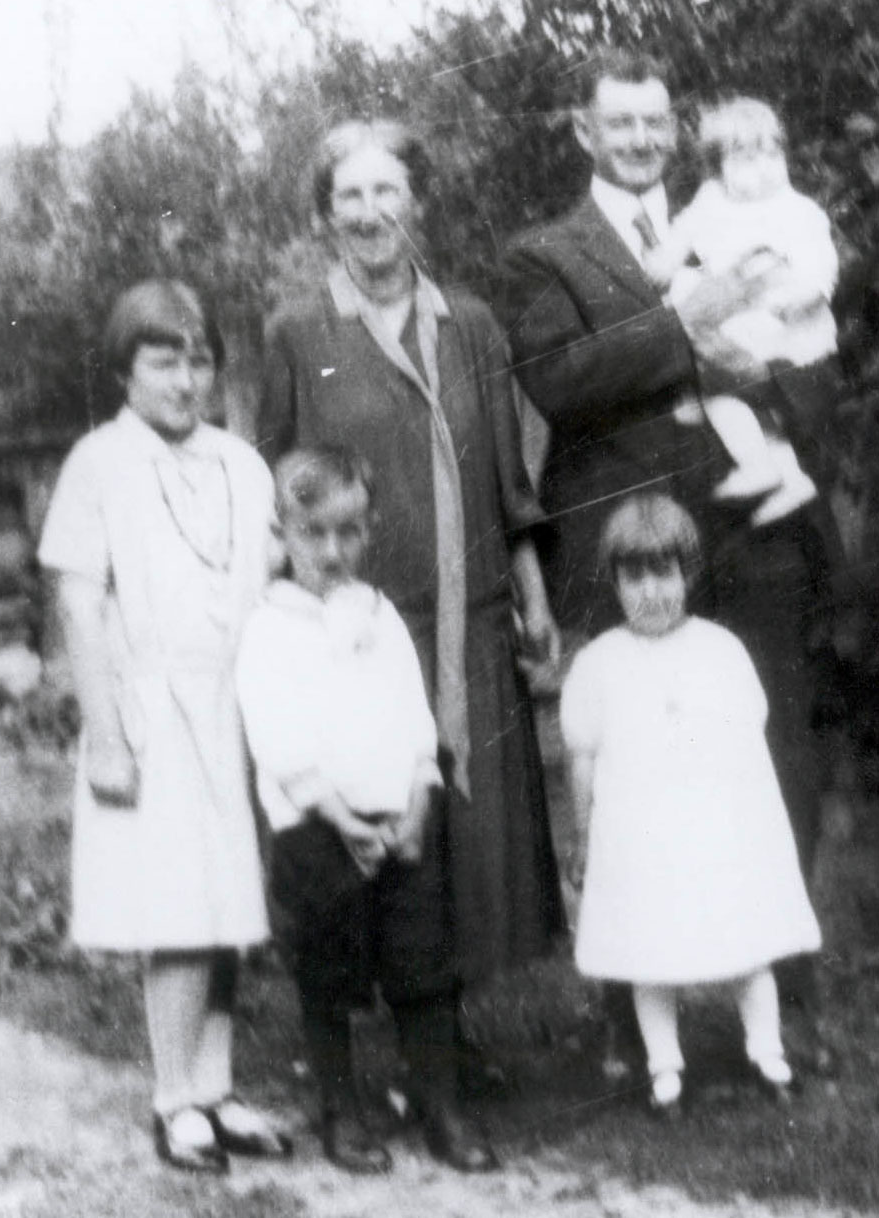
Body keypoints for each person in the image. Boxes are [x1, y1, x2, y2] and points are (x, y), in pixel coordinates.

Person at [494, 49, 840, 1074]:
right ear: (583, 131)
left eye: (656, 121)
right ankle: (626, 1012)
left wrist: (782, 409)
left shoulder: (726, 224)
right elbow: (561, 379)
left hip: (749, 531)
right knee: (627, 772)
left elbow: (806, 347)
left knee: (776, 755)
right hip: (628, 546)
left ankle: (782, 999)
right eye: (621, 122)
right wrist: (685, 324)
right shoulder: (544, 254)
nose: (643, 139)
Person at [258, 120, 566, 1000]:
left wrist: (535, 604)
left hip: (470, 626)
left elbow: (507, 479)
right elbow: (273, 487)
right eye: (349, 196)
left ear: (416, 203)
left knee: (467, 839)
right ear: (326, 215)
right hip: (358, 639)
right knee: (374, 828)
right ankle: (379, 1031)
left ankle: (446, 1034)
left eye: (385, 190)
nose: (369, 212)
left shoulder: (470, 325)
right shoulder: (298, 332)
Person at [38, 280, 291, 1173]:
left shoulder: (241, 462)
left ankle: (215, 1088)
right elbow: (78, 604)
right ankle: (174, 1099)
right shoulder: (99, 462)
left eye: (200, 361)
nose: (186, 381)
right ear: (124, 370)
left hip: (235, 707)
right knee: (179, 909)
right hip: (151, 716)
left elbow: (268, 578)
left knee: (229, 908)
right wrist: (107, 737)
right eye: (164, 361)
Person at [236, 445, 496, 1174]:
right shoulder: (269, 628)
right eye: (313, 533)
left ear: (369, 529)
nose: (332, 551)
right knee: (328, 972)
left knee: (423, 968)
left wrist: (417, 805)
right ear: (282, 534)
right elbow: (277, 738)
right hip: (318, 831)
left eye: (348, 532)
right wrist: (340, 817)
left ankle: (441, 1107)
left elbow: (415, 719)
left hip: (397, 827)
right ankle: (340, 1111)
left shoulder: (379, 615)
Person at [561, 494, 821, 1114]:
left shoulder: (720, 650)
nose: (651, 592)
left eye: (664, 573)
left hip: (716, 832)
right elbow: (582, 756)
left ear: (689, 574)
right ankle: (665, 1068)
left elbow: (749, 741)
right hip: (640, 840)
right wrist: (583, 834)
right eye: (634, 577)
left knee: (746, 944)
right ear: (615, 583)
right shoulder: (599, 663)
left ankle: (767, 1052)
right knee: (649, 951)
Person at [644, 96, 839, 523]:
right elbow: (684, 232)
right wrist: (666, 260)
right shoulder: (712, 200)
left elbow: (821, 268)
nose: (765, 168)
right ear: (719, 168)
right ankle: (781, 472)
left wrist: (799, 296)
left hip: (787, 329)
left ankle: (764, 463)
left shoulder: (797, 210)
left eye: (773, 154)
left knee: (724, 390)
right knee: (730, 397)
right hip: (737, 325)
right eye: (747, 159)